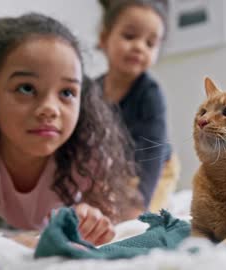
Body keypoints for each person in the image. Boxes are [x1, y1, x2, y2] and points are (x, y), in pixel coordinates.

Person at [0, 13, 142, 246]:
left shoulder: (88, 151)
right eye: (26, 88)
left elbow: (113, 229)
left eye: (67, 92)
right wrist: (16, 243)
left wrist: (92, 221)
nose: (50, 109)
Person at [96, 0, 178, 211]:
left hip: (157, 166)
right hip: (118, 168)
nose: (139, 47)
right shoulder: (91, 91)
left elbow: (154, 150)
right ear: (104, 39)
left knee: (139, 216)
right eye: (129, 36)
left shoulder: (150, 94)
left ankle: (162, 202)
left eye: (150, 43)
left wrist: (141, 200)